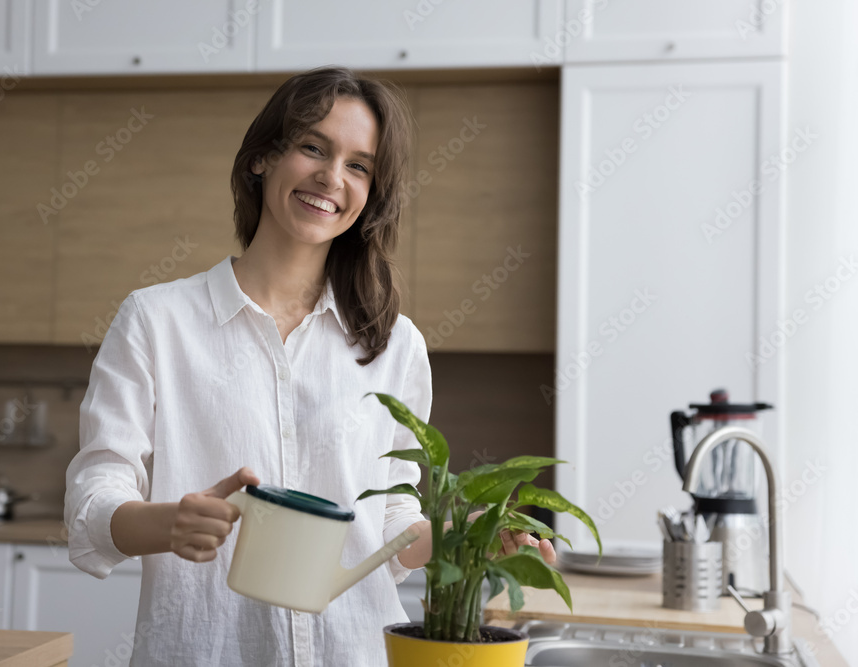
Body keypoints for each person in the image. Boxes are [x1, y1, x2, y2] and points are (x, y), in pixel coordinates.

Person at [64, 66, 554, 667]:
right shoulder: (156, 320)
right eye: (312, 147)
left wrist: (469, 531)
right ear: (262, 158)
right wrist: (169, 522)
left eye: (358, 165)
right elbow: (92, 506)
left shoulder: (395, 344)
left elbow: (391, 522)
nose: (331, 177)